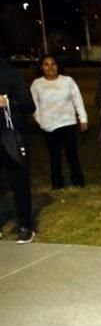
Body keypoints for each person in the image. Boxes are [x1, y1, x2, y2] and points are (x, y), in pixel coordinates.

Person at [30, 55, 88, 189]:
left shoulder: (68, 81)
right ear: (41, 67)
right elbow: (34, 106)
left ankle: (77, 180)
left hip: (68, 122)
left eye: (53, 64)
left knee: (72, 154)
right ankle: (57, 183)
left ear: (58, 66)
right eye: (46, 64)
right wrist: (41, 121)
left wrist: (83, 118)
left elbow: (77, 100)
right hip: (49, 126)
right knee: (54, 156)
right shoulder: (37, 84)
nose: (50, 67)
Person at [0, 56, 36, 243]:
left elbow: (29, 105)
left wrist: (8, 103)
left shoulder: (11, 73)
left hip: (10, 138)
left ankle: (25, 225)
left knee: (19, 182)